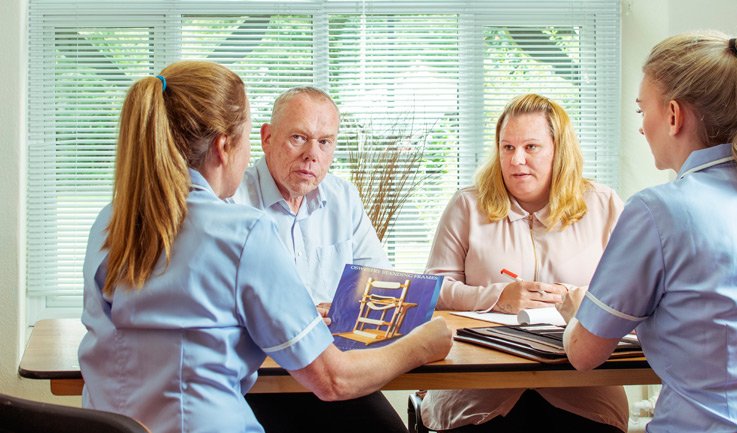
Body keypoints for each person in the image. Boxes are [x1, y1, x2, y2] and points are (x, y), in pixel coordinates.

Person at [77, 60, 452, 433]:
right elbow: (332, 380)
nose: (312, 153)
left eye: (325, 142)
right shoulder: (242, 230)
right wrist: (423, 345)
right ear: (226, 146)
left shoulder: (110, 222)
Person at [563, 32, 737, 433]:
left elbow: (583, 354)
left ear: (674, 115)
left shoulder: (658, 210)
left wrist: (577, 314)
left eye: (643, 109)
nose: (642, 127)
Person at [420, 93, 628, 432]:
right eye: (507, 148)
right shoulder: (467, 205)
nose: (516, 160)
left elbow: (631, 293)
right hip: (477, 393)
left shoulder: (603, 205)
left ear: (559, 150)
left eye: (531, 147)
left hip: (582, 391)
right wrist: (496, 298)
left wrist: (572, 297)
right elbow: (434, 288)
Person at [230, 87, 405, 432]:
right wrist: (306, 316)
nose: (312, 154)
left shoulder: (343, 197)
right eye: (299, 137)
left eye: (325, 142)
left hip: (332, 366)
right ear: (266, 137)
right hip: (258, 378)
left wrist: (342, 311)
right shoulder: (232, 199)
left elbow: (382, 282)